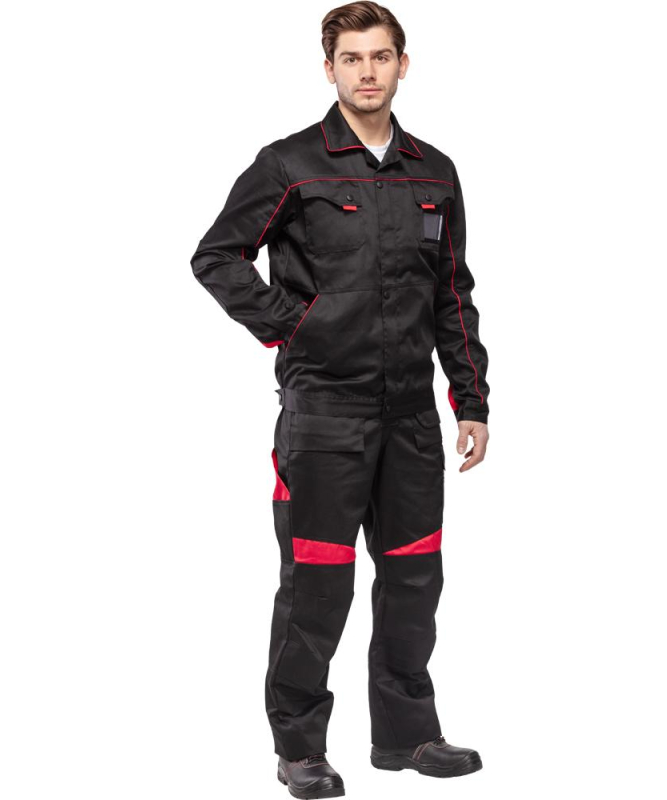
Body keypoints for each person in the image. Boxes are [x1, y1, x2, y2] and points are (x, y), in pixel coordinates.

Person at [190, 2, 490, 796]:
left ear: (403, 64)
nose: (367, 72)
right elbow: (217, 256)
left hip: (411, 419)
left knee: (415, 579)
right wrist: (294, 326)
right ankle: (300, 747)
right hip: (325, 415)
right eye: (351, 58)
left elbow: (452, 293)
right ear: (329, 69)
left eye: (380, 56)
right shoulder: (291, 164)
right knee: (317, 585)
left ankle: (407, 736)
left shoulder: (434, 172)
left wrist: (471, 398)